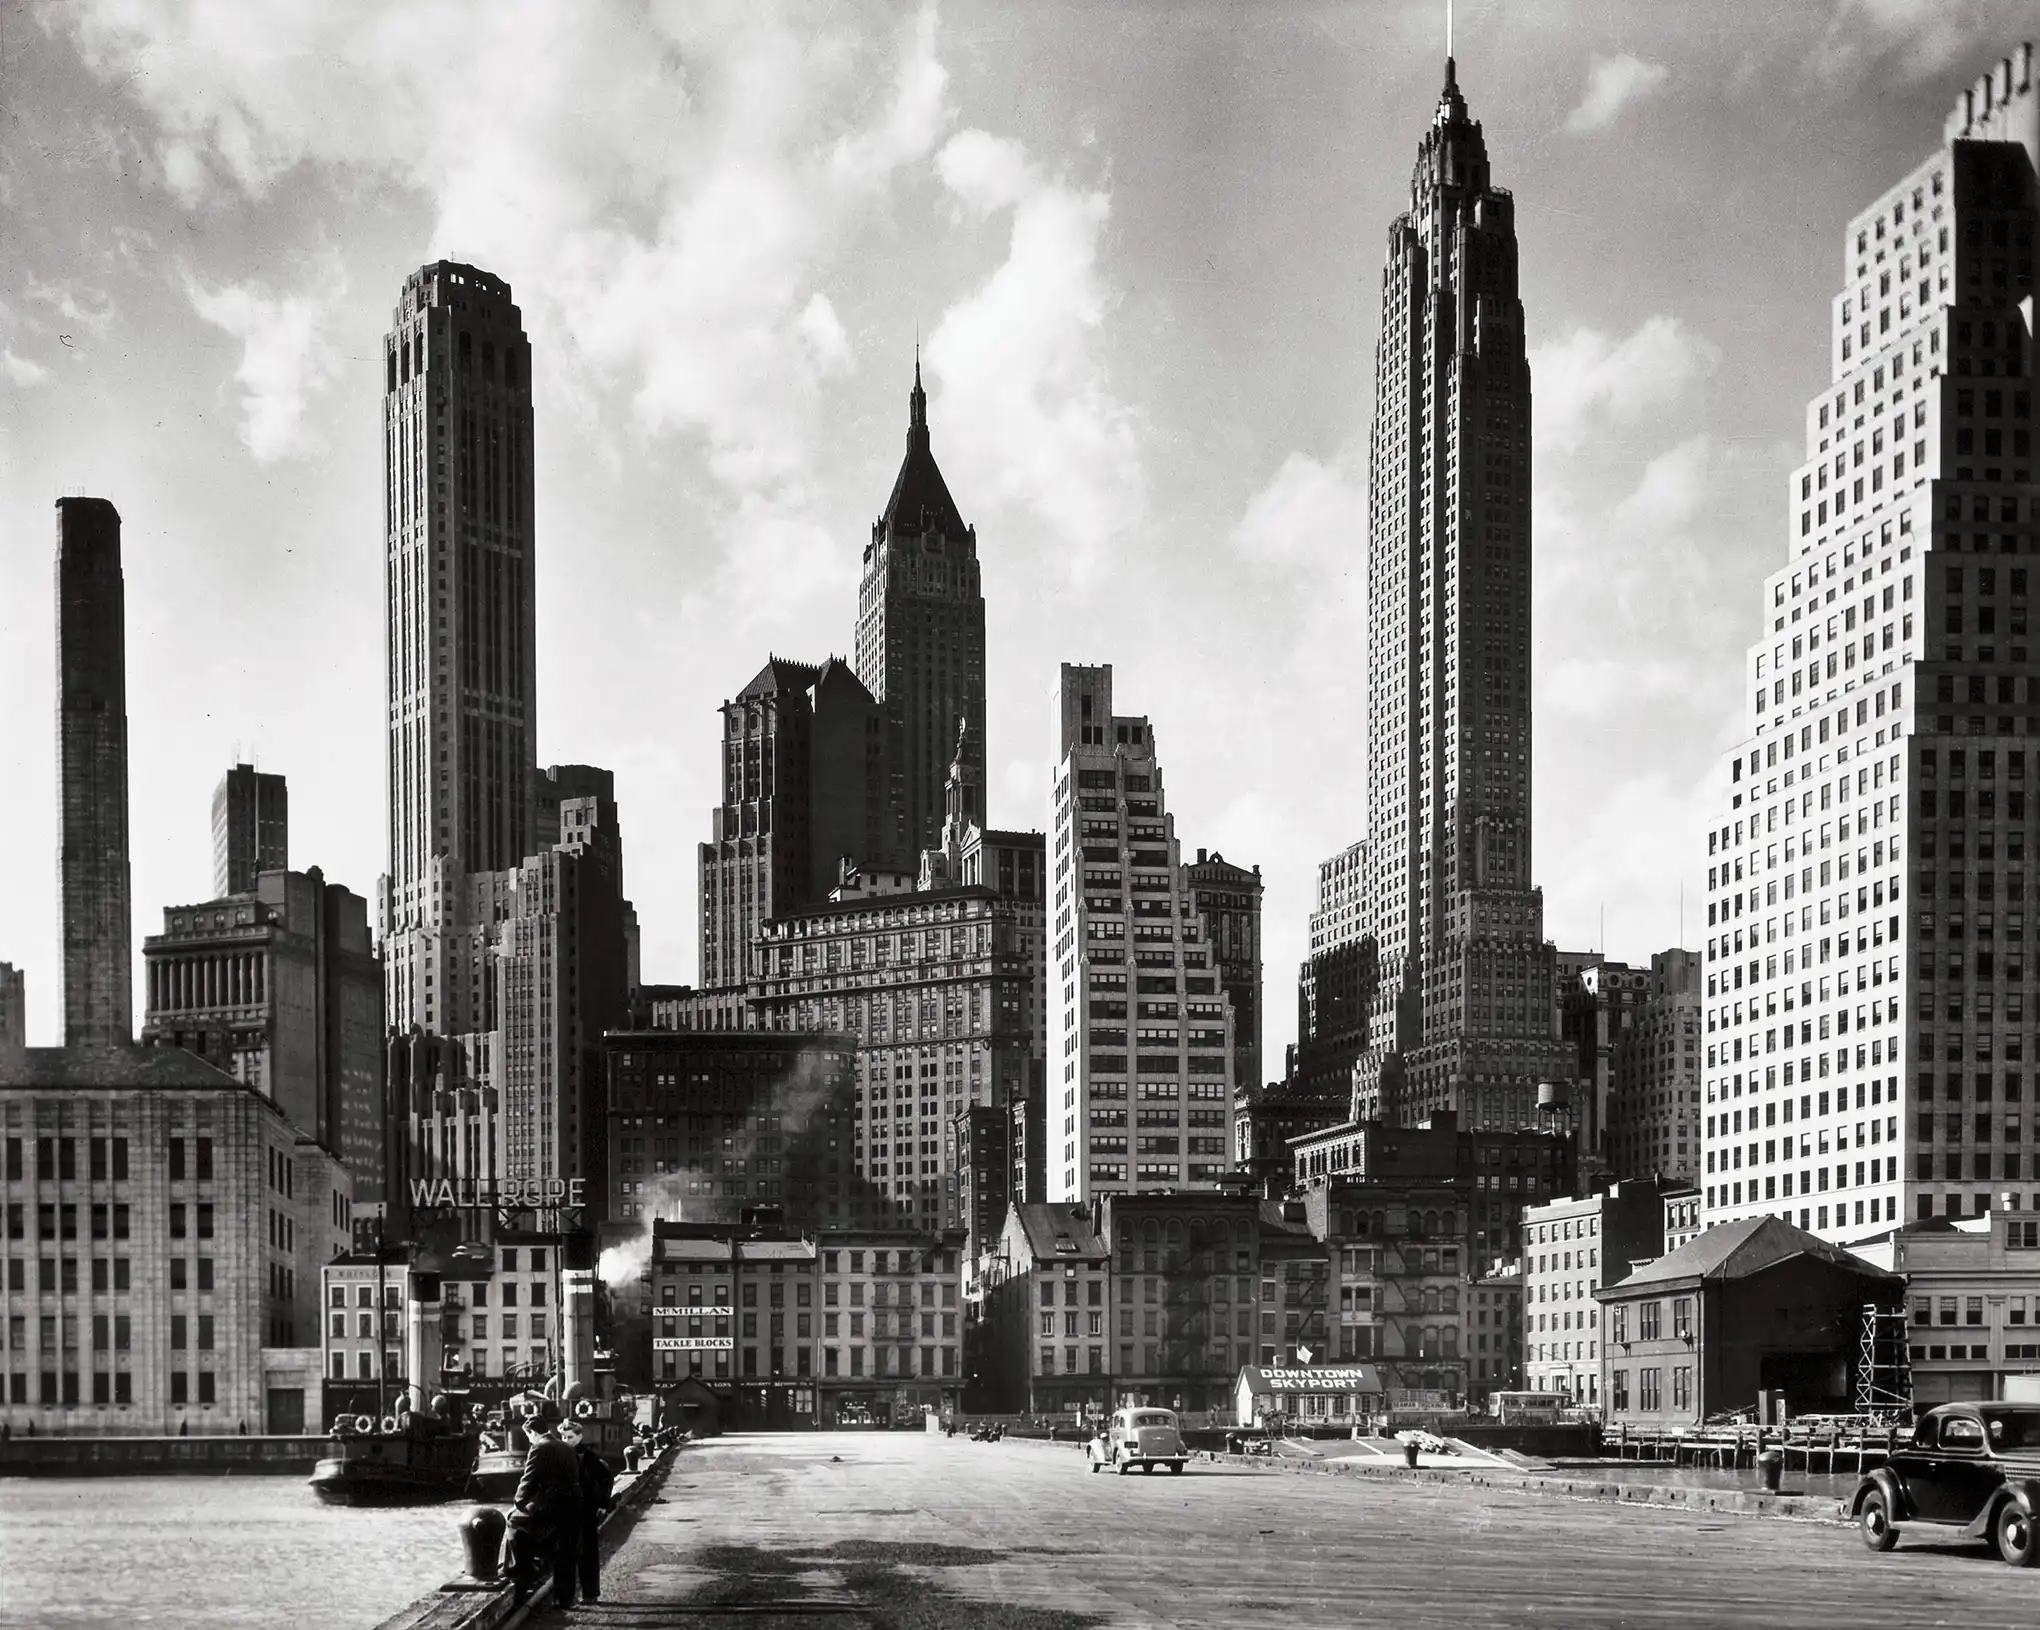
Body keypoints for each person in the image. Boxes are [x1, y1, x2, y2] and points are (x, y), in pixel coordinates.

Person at [505, 1400, 581, 1606]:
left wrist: (518, 1504)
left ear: (532, 1433)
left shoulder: (539, 1448)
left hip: (553, 1508)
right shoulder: (564, 1447)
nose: (529, 1440)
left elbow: (527, 1480)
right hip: (572, 1505)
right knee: (565, 1552)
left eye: (528, 1435)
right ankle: (564, 1598)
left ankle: (518, 1575)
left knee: (514, 1522)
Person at [569, 1427, 616, 1606]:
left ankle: (590, 1594)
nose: (567, 1440)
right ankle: (570, 1595)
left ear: (580, 1436)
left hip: (587, 1509)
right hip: (570, 1509)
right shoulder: (563, 1454)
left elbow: (606, 1478)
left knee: (588, 1552)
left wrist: (603, 1504)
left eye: (571, 1437)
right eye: (564, 1437)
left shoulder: (589, 1457)